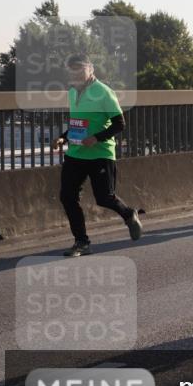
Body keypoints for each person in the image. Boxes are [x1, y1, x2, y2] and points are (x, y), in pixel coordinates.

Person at [53, 55, 142, 256]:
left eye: (79, 69)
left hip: (101, 154)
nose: (75, 74)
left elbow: (120, 124)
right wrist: (62, 138)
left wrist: (96, 138)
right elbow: (78, 123)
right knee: (67, 197)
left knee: (104, 197)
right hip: (76, 154)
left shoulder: (103, 92)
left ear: (90, 69)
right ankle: (82, 242)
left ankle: (128, 214)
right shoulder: (72, 93)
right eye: (72, 70)